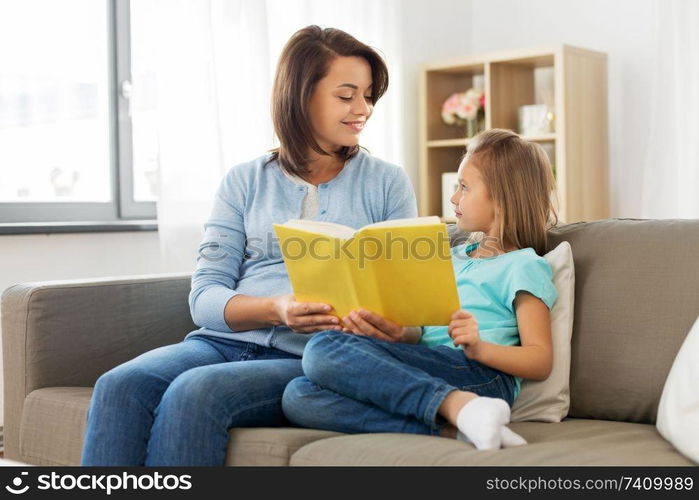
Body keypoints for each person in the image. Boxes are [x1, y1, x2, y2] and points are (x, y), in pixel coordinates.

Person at [80, 25, 417, 466]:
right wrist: (276, 308)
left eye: (369, 96)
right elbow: (204, 298)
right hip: (220, 342)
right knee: (119, 385)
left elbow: (409, 310)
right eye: (347, 95)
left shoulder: (387, 183)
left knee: (194, 392)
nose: (363, 109)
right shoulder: (244, 181)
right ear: (301, 96)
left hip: (312, 358)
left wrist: (394, 326)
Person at [282, 128, 559, 450]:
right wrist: (398, 334)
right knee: (299, 396)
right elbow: (426, 331)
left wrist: (479, 348)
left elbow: (540, 360)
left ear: (503, 196)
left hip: (481, 373)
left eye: (464, 187)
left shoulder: (523, 265)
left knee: (321, 348)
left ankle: (458, 404)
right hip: (429, 362)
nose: (454, 197)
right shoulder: (452, 256)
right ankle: (458, 425)